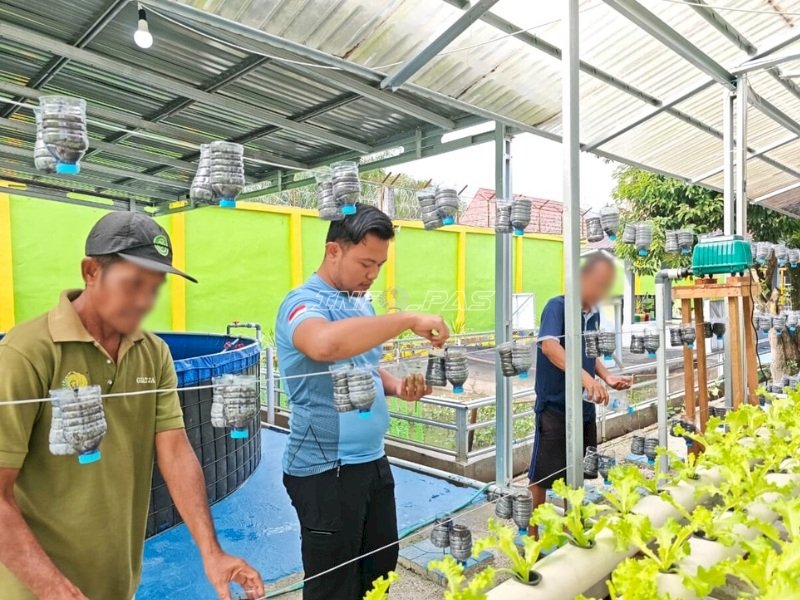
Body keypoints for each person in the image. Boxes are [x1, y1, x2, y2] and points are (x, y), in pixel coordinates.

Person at [0, 212, 264, 600]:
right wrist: (56, 590)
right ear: (91, 271)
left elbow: (175, 449)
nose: (144, 300)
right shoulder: (26, 353)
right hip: (34, 588)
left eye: (154, 286)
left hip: (119, 581)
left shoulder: (152, 353)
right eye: (133, 283)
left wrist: (212, 553)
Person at [275, 204, 449, 600]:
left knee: (378, 573)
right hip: (326, 471)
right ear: (333, 251)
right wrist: (407, 319)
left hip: (372, 462)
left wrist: (397, 386)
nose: (372, 275)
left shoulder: (359, 302)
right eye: (365, 263)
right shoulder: (302, 303)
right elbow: (323, 344)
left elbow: (365, 366)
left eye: (380, 265)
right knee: (335, 588)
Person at [528, 252, 631, 530]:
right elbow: (550, 347)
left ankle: (572, 524)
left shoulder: (593, 317)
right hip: (555, 406)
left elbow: (590, 353)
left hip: (583, 407)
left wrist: (607, 376)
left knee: (579, 469)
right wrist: (586, 379)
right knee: (542, 475)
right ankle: (532, 535)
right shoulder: (557, 307)